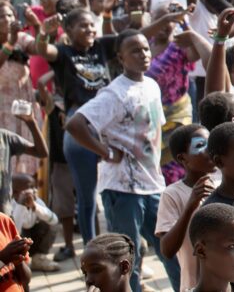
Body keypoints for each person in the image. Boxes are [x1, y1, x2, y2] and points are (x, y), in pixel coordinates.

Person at [64, 29, 169, 292]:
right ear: (120, 58)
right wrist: (106, 152)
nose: (143, 54)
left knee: (169, 249)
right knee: (127, 263)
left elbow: (153, 135)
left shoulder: (152, 86)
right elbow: (75, 124)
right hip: (122, 189)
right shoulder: (114, 94)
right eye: (135, 50)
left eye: (145, 48)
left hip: (152, 185)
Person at [157, 124, 218, 292]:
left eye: (211, 143)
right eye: (200, 145)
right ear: (183, 159)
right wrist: (191, 206)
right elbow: (167, 250)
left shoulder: (223, 184)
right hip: (195, 286)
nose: (210, 150)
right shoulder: (172, 194)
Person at [9, 173, 59, 273]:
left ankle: (38, 259)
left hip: (32, 239)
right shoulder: (9, 204)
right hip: (16, 242)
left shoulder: (36, 201)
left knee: (50, 223)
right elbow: (14, 232)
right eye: (29, 187)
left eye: (34, 187)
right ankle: (17, 262)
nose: (34, 190)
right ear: (15, 192)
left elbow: (54, 220)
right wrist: (21, 206)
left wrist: (35, 207)